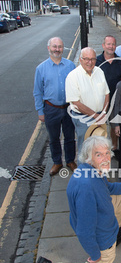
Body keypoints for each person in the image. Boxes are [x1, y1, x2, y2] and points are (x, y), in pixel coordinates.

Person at [32, 136, 121, 263]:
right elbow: (84, 230)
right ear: (88, 158)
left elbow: (108, 188)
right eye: (98, 154)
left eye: (107, 153)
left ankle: (117, 233)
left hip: (103, 219)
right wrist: (95, 254)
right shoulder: (87, 188)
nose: (106, 158)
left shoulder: (92, 170)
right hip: (103, 239)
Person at [33, 37, 77, 176]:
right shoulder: (41, 68)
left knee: (70, 137)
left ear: (63, 48)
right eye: (54, 46)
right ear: (49, 48)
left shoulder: (70, 65)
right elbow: (37, 91)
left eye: (59, 46)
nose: (57, 49)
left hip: (69, 108)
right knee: (54, 138)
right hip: (51, 109)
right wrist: (40, 111)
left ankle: (70, 160)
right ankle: (57, 162)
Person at [65, 47, 109, 155]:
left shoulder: (99, 71)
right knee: (85, 150)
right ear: (80, 60)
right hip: (83, 119)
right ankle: (85, 172)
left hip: (100, 116)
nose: (90, 62)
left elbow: (106, 93)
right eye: (86, 59)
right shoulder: (72, 76)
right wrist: (95, 116)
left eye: (93, 59)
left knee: (101, 149)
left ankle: (100, 171)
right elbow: (77, 103)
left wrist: (103, 113)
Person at [96, 35, 121, 151]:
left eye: (113, 44)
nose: (111, 46)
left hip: (115, 100)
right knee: (100, 126)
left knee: (115, 126)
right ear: (103, 45)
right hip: (100, 101)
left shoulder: (120, 62)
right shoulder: (97, 61)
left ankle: (114, 147)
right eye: (108, 44)